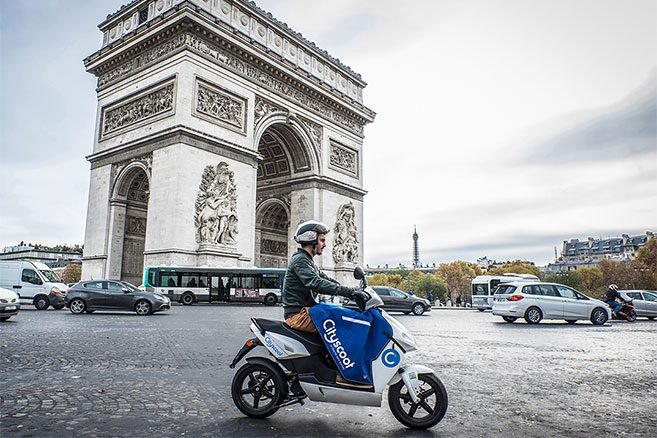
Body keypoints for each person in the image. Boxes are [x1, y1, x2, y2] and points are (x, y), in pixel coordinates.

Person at [282, 220, 365, 333]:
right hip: (298, 316)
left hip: (305, 311)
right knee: (341, 323)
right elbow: (316, 282)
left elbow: (324, 278)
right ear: (311, 239)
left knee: (339, 313)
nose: (325, 245)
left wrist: (351, 290)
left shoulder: (307, 260)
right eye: (322, 240)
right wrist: (347, 292)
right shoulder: (300, 260)